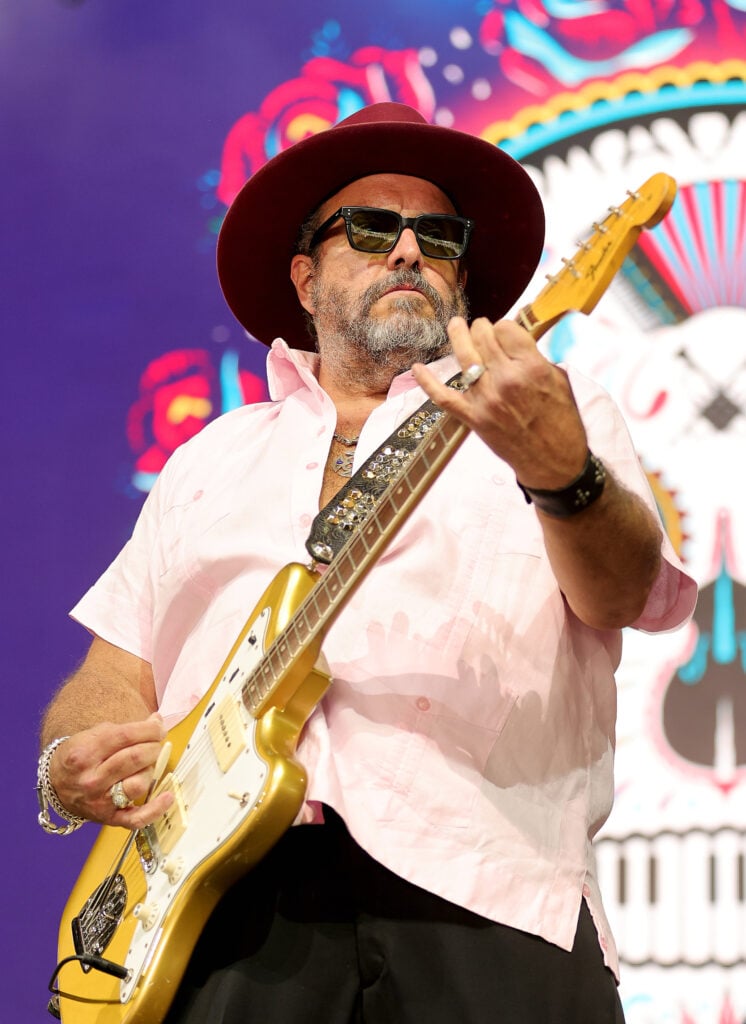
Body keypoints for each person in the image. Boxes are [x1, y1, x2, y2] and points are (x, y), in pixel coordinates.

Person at [38, 103, 696, 1023]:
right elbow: (115, 671)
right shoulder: (211, 459)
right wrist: (71, 759)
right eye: (373, 228)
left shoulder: (545, 413)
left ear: (464, 275)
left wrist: (564, 474)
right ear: (306, 277)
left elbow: (627, 593)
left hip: (490, 892)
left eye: (438, 234)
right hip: (217, 914)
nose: (408, 252)